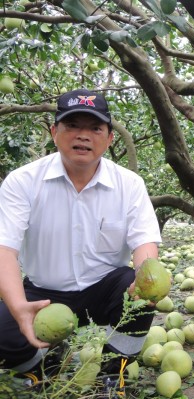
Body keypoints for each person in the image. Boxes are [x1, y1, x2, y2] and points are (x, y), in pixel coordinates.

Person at [0, 89, 162, 386]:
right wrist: (19, 307)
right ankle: (39, 366)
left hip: (104, 290)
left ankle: (114, 374)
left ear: (110, 138)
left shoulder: (129, 185)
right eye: (72, 125)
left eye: (95, 128)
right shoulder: (23, 182)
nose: (83, 135)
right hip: (44, 295)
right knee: (3, 327)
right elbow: (4, 250)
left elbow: (144, 243)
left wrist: (146, 278)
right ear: (54, 132)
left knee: (139, 297)